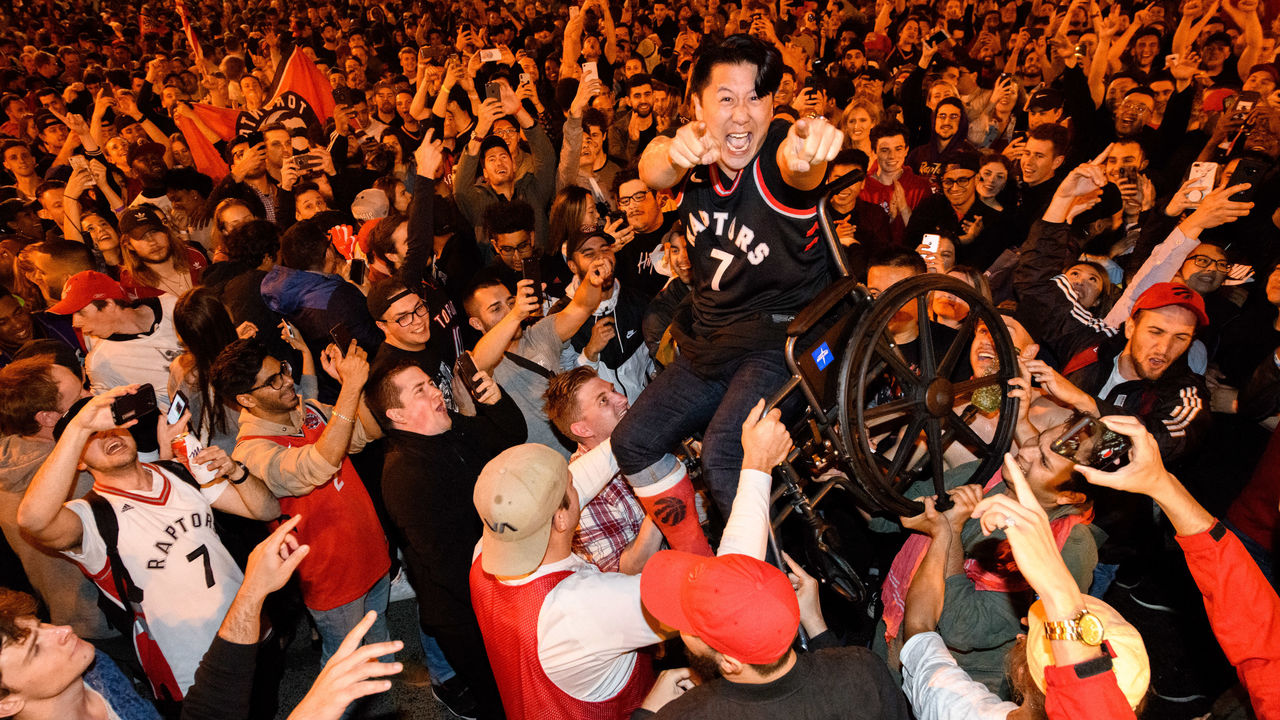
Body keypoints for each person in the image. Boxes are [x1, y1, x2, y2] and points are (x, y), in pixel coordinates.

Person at [615, 33, 843, 553]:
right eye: (725, 98)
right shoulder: (690, 154)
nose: (742, 115)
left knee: (724, 452)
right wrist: (671, 152)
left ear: (773, 104)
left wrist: (812, 152)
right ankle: (697, 558)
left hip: (784, 339)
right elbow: (654, 166)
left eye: (756, 97)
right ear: (697, 107)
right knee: (632, 442)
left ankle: (772, 584)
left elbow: (799, 165)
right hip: (713, 339)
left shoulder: (779, 151)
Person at [469, 401, 794, 719]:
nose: (576, 480)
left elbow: (585, 474)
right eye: (570, 483)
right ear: (560, 519)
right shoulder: (581, 608)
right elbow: (727, 594)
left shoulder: (489, 546)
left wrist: (644, 422)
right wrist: (757, 466)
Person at [16, 385, 280, 702]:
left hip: (252, 629)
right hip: (193, 667)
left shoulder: (177, 472)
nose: (108, 436)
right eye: (92, 436)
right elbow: (33, 520)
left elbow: (267, 510)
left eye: (112, 426)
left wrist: (236, 471)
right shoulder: (91, 517)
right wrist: (78, 427)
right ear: (78, 461)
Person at [212, 335, 392, 668]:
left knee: (379, 633)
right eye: (272, 381)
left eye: (282, 369)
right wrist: (350, 389)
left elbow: (366, 433)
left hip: (371, 552)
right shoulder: (252, 451)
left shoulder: (308, 410)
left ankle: (384, 684)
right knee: (342, 664)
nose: (287, 380)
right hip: (333, 579)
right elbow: (317, 467)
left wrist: (351, 387)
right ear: (245, 399)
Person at [368, 359, 525, 720]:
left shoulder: (448, 428)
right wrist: (506, 597)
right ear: (397, 414)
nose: (436, 391)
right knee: (500, 700)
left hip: (496, 585)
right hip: (466, 612)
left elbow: (510, 436)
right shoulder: (404, 476)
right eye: (420, 390)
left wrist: (496, 401)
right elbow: (448, 566)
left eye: (430, 383)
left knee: (520, 687)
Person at [633, 549, 910, 719]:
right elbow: (835, 682)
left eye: (687, 625)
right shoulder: (865, 668)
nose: (681, 631)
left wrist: (648, 713)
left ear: (730, 663)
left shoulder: (687, 714)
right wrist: (816, 624)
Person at [542, 366, 660, 574]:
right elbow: (625, 570)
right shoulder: (580, 491)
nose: (622, 399)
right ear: (583, 429)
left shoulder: (643, 435)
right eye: (603, 400)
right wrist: (662, 498)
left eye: (613, 390)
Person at [47, 271, 182, 409]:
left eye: (80, 312)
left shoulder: (173, 306)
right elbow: (104, 412)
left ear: (109, 304)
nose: (75, 323)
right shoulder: (100, 363)